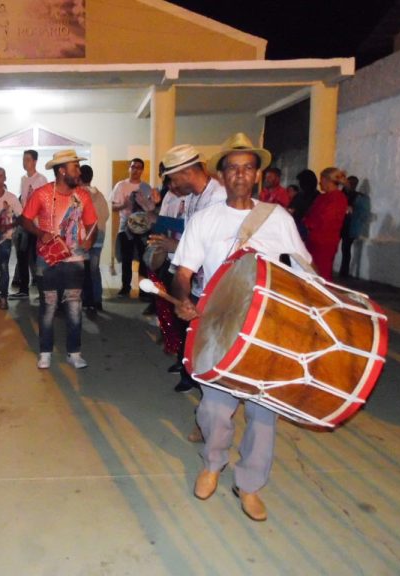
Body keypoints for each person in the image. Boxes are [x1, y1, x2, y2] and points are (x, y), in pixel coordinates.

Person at [172, 133, 311, 522]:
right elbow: (183, 271)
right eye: (232, 168)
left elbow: (304, 269)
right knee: (215, 409)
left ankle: (249, 484)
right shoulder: (205, 219)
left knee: (264, 414)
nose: (240, 175)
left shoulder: (278, 218)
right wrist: (184, 298)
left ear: (258, 174)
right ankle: (213, 465)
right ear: (222, 174)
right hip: (217, 324)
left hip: (266, 328)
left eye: (247, 167)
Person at [148, 144, 226, 393]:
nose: (171, 185)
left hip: (217, 283)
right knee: (189, 327)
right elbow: (190, 231)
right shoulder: (193, 197)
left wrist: (176, 244)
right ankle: (189, 370)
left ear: (185, 172)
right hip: (195, 279)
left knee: (209, 339)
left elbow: (216, 243)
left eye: (172, 178)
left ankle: (202, 383)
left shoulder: (218, 197)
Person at [20, 149, 98, 370]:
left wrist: (89, 242)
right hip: (48, 259)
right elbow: (24, 220)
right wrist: (39, 233)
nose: (79, 171)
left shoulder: (82, 196)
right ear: (62, 171)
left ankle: (74, 352)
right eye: (74, 167)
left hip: (75, 260)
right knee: (49, 307)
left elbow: (93, 223)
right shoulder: (42, 193)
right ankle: (45, 352)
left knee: (74, 307)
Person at [111, 157, 155, 298]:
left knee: (143, 260)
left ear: (142, 170)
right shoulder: (121, 185)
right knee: (126, 259)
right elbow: (113, 206)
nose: (135, 170)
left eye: (138, 167)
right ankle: (125, 288)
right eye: (133, 167)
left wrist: (144, 204)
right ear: (129, 168)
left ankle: (143, 290)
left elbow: (152, 209)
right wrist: (124, 205)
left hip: (143, 228)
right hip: (126, 228)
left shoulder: (146, 187)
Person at [11, 149, 48, 299]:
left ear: (34, 161)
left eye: (27, 159)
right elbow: (23, 200)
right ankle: (24, 290)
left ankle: (43, 290)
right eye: (23, 159)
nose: (24, 162)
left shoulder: (41, 179)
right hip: (24, 222)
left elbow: (43, 203)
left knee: (37, 257)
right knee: (22, 255)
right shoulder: (23, 179)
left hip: (36, 225)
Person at [302, 167, 349, 282]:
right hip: (314, 239)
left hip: (324, 241)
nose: (320, 182)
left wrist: (309, 223)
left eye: (321, 179)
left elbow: (326, 219)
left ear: (328, 180)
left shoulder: (338, 198)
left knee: (322, 272)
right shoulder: (322, 197)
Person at [0, 166, 22, 310]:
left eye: (0, 176)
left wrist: (8, 227)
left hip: (5, 239)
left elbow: (21, 218)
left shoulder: (11, 198)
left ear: (5, 178)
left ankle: (3, 297)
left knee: (3, 267)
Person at [79, 164, 109, 316]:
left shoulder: (80, 195)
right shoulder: (100, 194)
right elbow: (106, 214)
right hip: (100, 235)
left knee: (83, 269)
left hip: (86, 236)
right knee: (94, 269)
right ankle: (97, 300)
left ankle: (86, 301)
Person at [339, 175, 359, 277]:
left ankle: (344, 271)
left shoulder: (356, 196)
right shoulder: (342, 194)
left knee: (346, 249)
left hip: (348, 225)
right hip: (340, 223)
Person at [289, 169, 319, 238]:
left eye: (302, 182)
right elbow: (291, 207)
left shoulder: (318, 197)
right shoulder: (299, 195)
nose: (300, 185)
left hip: (308, 232)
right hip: (295, 229)